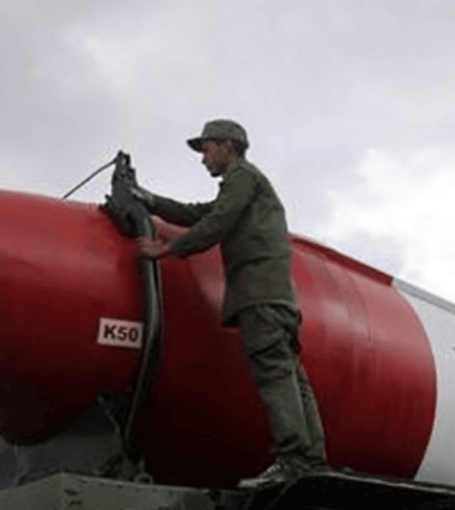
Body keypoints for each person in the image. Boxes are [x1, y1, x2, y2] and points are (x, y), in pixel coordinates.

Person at [133, 119, 327, 487]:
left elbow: (217, 222)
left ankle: (293, 461)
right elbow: (199, 213)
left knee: (273, 374)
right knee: (291, 376)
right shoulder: (246, 184)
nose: (204, 158)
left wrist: (169, 247)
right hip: (276, 297)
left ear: (227, 146)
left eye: (207, 149)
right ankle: (311, 459)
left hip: (259, 295)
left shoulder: (242, 179)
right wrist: (152, 201)